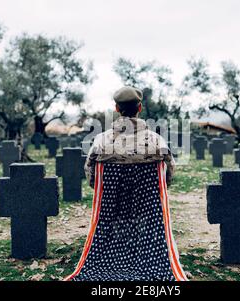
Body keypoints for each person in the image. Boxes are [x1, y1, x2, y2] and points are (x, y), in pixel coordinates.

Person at [65, 87, 187, 281]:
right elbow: (168, 176)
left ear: (116, 108)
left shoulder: (100, 141)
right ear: (139, 108)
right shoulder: (157, 141)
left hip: (111, 210)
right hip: (148, 210)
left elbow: (92, 177)